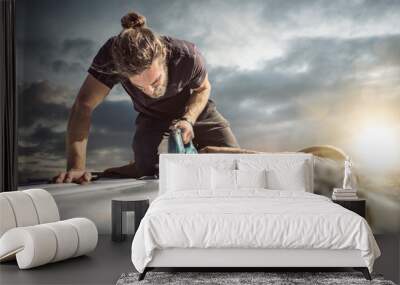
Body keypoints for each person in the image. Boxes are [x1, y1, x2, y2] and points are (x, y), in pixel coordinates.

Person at [54, 11, 239, 184]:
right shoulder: (112, 56)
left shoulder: (188, 56)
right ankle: (124, 168)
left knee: (236, 159)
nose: (151, 91)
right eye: (140, 86)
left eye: (156, 81)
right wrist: (76, 167)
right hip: (151, 115)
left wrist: (189, 120)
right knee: (144, 167)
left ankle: (196, 151)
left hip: (194, 108)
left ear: (164, 56)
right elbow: (83, 105)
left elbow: (203, 88)